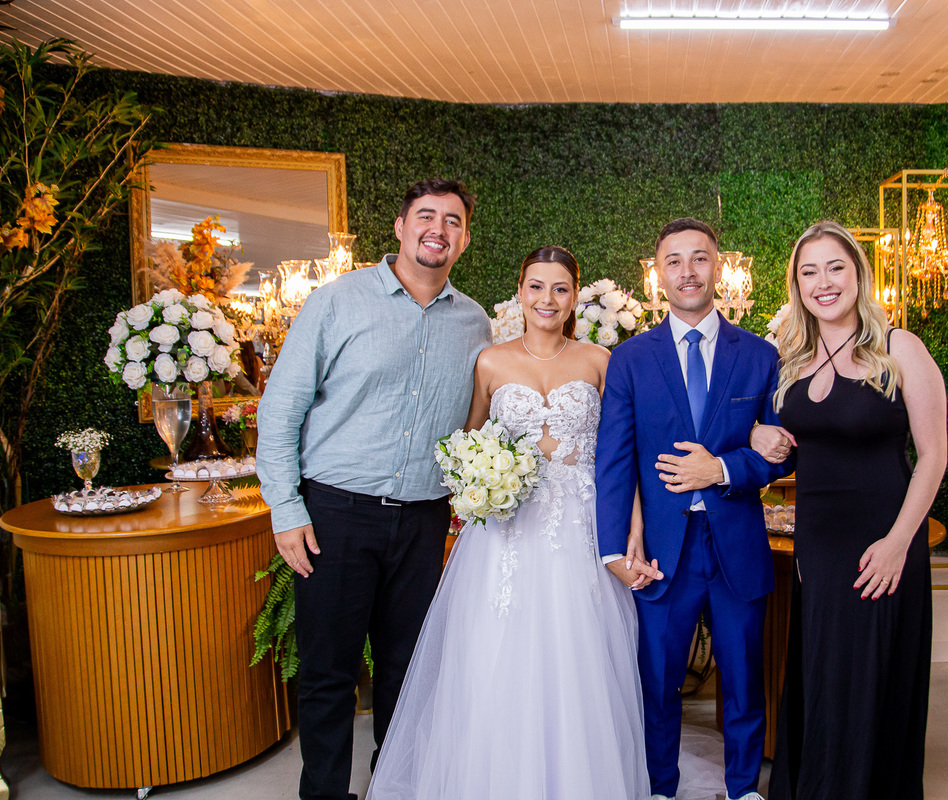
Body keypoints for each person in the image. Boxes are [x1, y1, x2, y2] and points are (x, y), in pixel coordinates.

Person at [365, 245, 657, 800]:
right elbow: (466, 444)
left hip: (581, 528)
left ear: (575, 296)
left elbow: (623, 455)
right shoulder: (490, 362)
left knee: (578, 657)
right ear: (520, 292)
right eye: (536, 287)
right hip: (506, 534)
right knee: (496, 651)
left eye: (560, 289)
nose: (547, 299)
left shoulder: (600, 360)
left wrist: (632, 532)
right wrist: (480, 483)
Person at [256, 178, 493, 800]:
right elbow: (280, 409)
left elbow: (482, 418)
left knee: (406, 670)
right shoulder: (338, 301)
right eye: (426, 216)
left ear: (465, 239)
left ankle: (395, 786)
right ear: (400, 226)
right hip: (335, 514)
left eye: (452, 220)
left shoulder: (476, 323)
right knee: (329, 672)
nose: (438, 229)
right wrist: (286, 509)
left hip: (424, 519)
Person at [595, 218, 792, 800]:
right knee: (658, 680)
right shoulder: (629, 359)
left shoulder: (759, 355)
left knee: (743, 676)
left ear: (718, 267)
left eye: (699, 258)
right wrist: (613, 548)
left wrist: (723, 469)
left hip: (736, 543)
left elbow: (779, 451)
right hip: (661, 549)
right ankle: (661, 787)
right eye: (674, 261)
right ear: (658, 273)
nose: (687, 271)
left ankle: (743, 788)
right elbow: (614, 461)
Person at [752, 221, 947, 800]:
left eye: (835, 267)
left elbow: (934, 457)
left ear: (859, 274)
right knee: (824, 678)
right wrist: (761, 434)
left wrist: (898, 543)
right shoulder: (793, 358)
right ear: (797, 285)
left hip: (882, 543)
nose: (824, 282)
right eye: (809, 271)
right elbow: (798, 450)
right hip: (819, 547)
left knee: (869, 683)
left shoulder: (899, 347)